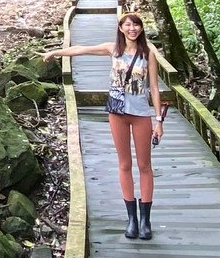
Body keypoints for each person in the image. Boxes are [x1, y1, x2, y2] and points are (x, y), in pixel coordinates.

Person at [43, 13, 164, 240]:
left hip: (140, 114)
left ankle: (146, 220)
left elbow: (155, 88)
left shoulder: (148, 53)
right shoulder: (113, 49)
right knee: (124, 164)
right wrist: (55, 52)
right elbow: (81, 49)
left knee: (145, 165)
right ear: (120, 28)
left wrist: (158, 120)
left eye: (136, 25)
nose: (132, 28)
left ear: (141, 28)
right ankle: (131, 219)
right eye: (127, 25)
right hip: (117, 113)